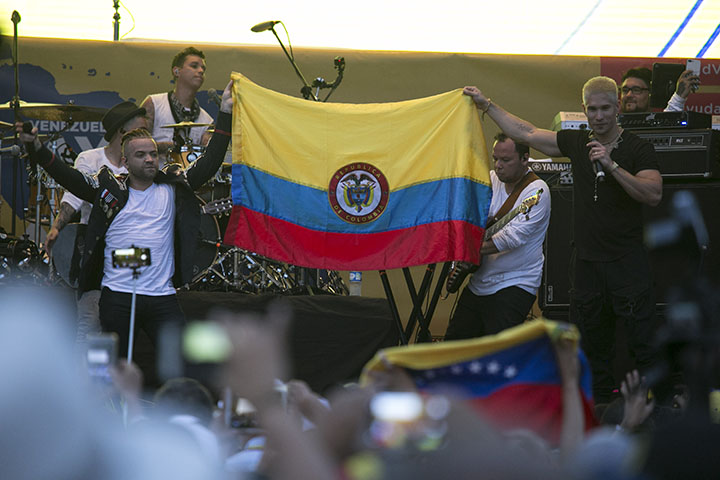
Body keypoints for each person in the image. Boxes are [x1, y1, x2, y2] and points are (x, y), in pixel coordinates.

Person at [462, 76, 662, 404]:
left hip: (627, 261)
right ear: (584, 110)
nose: (598, 116)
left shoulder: (638, 148)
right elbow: (525, 132)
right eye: (592, 109)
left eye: (605, 109)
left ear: (617, 109)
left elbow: (653, 193)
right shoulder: (577, 142)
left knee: (643, 340)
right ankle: (598, 413)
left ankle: (661, 414)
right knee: (591, 346)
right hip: (586, 263)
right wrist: (487, 105)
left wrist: (611, 165)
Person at [17, 79, 234, 361]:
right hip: (118, 297)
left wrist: (226, 111)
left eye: (153, 154)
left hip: (162, 298)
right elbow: (68, 176)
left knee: (182, 364)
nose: (149, 160)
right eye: (140, 155)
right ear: (125, 161)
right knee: (108, 368)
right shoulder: (110, 190)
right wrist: (37, 148)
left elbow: (210, 161)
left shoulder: (172, 187)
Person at [44, 101, 147, 346]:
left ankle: (118, 375)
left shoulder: (145, 162)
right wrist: (57, 227)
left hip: (132, 252)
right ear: (123, 132)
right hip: (97, 250)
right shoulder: (90, 159)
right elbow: (74, 195)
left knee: (123, 322)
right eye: (140, 129)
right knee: (90, 320)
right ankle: (82, 379)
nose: (147, 134)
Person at [444, 133, 550, 340]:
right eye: (495, 159)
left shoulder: (537, 191)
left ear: (524, 159)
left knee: (498, 351)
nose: (498, 165)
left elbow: (510, 239)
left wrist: (465, 246)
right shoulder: (491, 179)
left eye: (506, 160)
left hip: (516, 281)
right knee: (455, 343)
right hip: (480, 280)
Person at [141, 46, 214, 157]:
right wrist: (170, 146)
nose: (201, 71)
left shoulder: (207, 120)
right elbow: (135, 144)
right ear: (176, 71)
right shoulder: (154, 103)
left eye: (203, 69)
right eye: (194, 66)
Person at [620, 66, 700, 114]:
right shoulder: (612, 126)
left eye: (636, 90)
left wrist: (679, 97)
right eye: (625, 90)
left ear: (651, 93)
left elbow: (667, 123)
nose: (629, 95)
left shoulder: (654, 128)